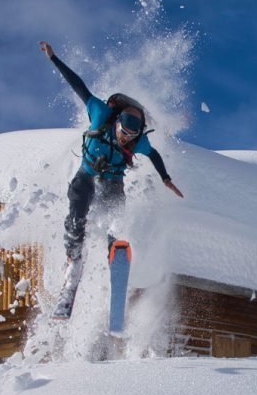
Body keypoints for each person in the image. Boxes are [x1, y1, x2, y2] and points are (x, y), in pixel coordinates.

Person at [40, 40, 183, 316]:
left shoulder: (138, 142)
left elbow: (154, 156)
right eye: (124, 131)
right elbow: (78, 85)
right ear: (117, 122)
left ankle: (114, 254)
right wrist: (54, 58)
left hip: (112, 182)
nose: (126, 138)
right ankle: (73, 262)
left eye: (132, 135)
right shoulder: (100, 113)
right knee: (77, 209)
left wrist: (165, 179)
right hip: (87, 174)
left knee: (114, 213)